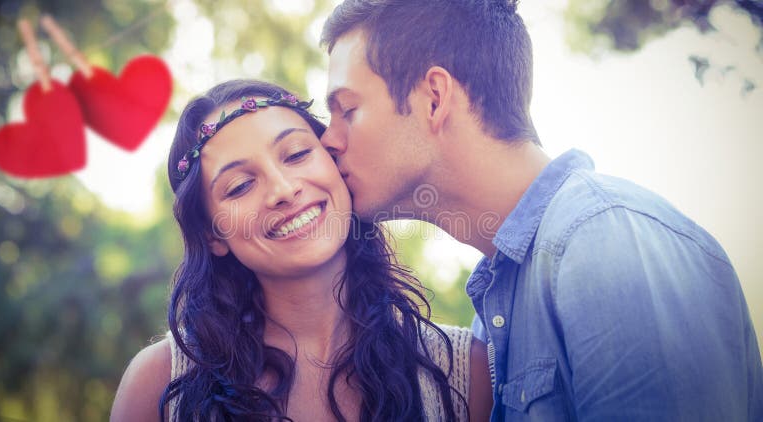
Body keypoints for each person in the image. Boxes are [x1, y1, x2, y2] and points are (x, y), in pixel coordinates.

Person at [319, 1, 763, 421]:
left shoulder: (604, 242)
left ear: (434, 98)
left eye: (348, 110)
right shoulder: (500, 305)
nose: (328, 140)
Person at [109, 79, 492, 421]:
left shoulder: (463, 372)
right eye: (240, 185)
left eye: (295, 155)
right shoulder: (159, 385)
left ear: (335, 162)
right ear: (213, 235)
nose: (283, 189)